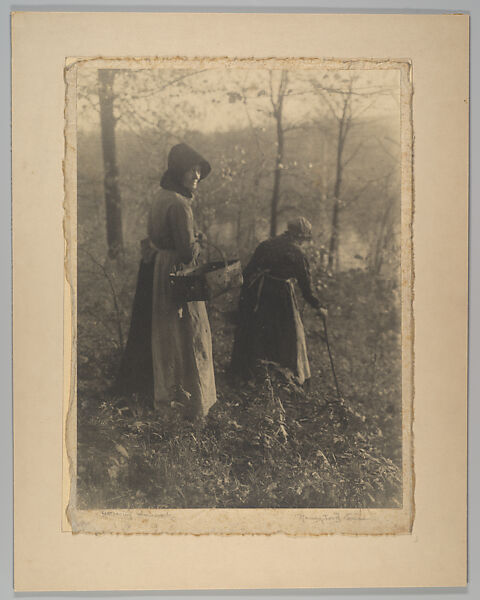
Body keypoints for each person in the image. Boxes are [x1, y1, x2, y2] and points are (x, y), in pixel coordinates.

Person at [116, 143, 216, 420]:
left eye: (198, 171)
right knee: (183, 333)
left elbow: (162, 237)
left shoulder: (161, 196)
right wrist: (198, 242)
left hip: (157, 270)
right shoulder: (180, 205)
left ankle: (158, 392)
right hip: (176, 273)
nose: (196, 176)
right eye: (191, 170)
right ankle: (183, 400)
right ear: (178, 171)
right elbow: (186, 252)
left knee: (161, 330)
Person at [230, 217, 327, 385]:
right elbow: (306, 286)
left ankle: (249, 373)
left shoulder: (267, 245)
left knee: (256, 331)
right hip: (281, 297)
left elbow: (247, 272)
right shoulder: (298, 253)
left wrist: (247, 298)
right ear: (301, 237)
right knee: (283, 334)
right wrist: (318, 306)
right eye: (304, 239)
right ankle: (278, 378)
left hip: (258, 294)